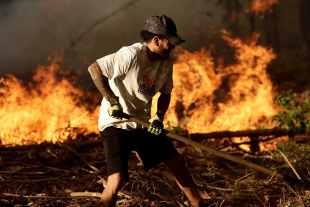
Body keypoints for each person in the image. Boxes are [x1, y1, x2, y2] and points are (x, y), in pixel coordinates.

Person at [88, 14, 207, 207]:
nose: (172, 47)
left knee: (177, 162)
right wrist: (112, 100)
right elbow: (94, 69)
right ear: (156, 40)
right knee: (117, 179)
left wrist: (158, 117)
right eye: (170, 42)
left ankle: (199, 205)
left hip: (142, 122)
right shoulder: (130, 55)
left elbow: (165, 93)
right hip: (116, 123)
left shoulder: (167, 61)